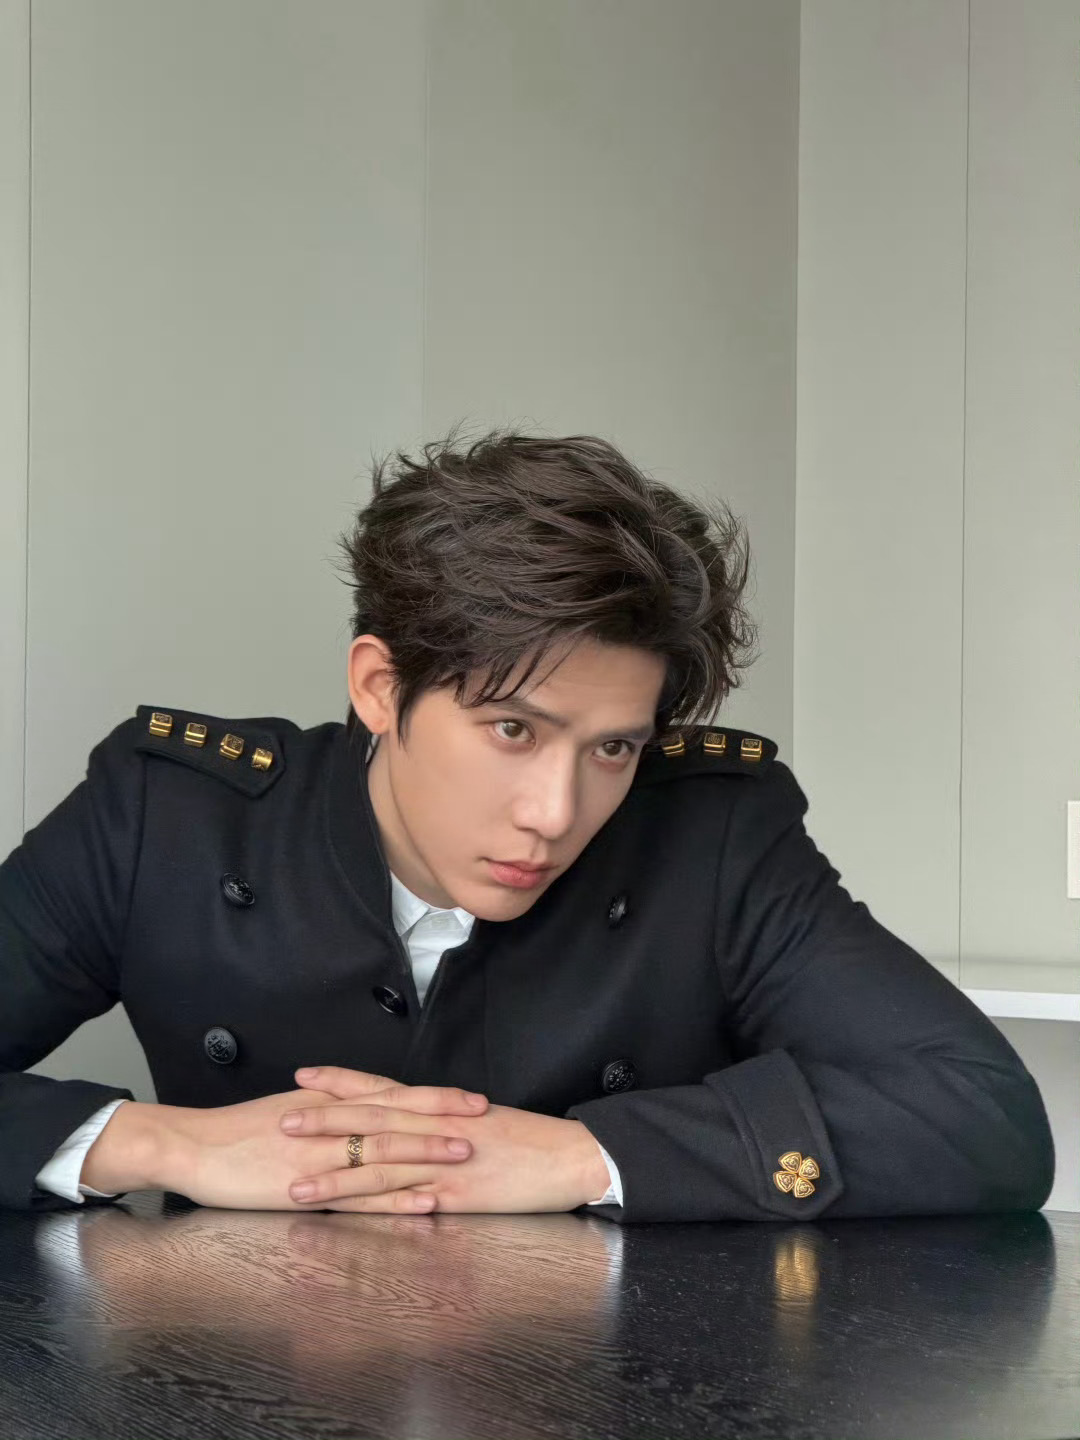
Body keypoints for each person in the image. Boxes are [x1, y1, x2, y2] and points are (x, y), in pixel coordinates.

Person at [0, 430, 1054, 1219]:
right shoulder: (167, 815)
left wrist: (585, 1156)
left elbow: (983, 1113)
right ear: (379, 687)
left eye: (613, 748)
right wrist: (161, 1144)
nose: (556, 812)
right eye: (513, 729)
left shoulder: (715, 838)